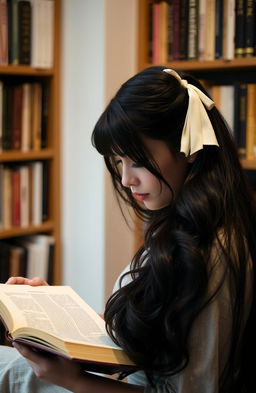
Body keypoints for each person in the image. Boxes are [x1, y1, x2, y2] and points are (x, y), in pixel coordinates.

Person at [1, 65, 255, 393]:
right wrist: (50, 321)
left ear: (189, 149)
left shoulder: (210, 250)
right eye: (118, 162)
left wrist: (73, 379)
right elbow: (156, 336)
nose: (125, 179)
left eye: (136, 160)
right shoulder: (187, 226)